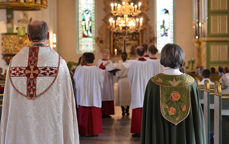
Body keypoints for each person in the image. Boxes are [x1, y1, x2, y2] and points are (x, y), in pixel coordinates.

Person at [1, 20, 79, 144]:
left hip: (21, 129)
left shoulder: (14, 63)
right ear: (48, 35)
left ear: (28, 37)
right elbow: (67, 103)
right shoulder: (59, 64)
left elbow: (8, 105)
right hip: (50, 130)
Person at [141, 43, 206, 144]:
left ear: (163, 59)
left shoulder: (153, 83)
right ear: (181, 58)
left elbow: (149, 118)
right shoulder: (191, 83)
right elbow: (196, 120)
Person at [74, 53, 104, 136]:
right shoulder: (97, 70)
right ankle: (95, 131)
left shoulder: (79, 69)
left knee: (84, 113)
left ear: (84, 59)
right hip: (94, 95)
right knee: (94, 114)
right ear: (93, 59)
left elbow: (76, 82)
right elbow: (101, 82)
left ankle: (84, 131)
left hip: (83, 95)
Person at [128, 45, 150, 137]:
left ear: (136, 53)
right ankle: (147, 130)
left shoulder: (133, 64)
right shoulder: (149, 63)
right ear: (145, 52)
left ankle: (137, 131)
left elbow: (130, 77)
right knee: (146, 107)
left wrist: (133, 85)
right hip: (147, 88)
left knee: (137, 108)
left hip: (137, 88)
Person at [97, 49, 115, 117]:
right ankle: (103, 113)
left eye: (108, 53)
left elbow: (112, 69)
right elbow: (99, 70)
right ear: (103, 54)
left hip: (109, 81)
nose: (106, 54)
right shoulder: (99, 61)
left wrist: (114, 72)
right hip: (103, 82)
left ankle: (108, 113)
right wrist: (104, 66)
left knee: (109, 96)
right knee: (103, 96)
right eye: (105, 53)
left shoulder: (110, 61)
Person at [115, 52, 131, 116]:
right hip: (128, 81)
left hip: (121, 81)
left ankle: (123, 111)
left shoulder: (119, 64)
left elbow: (117, 74)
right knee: (128, 97)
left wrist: (116, 79)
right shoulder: (130, 64)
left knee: (121, 97)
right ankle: (127, 110)